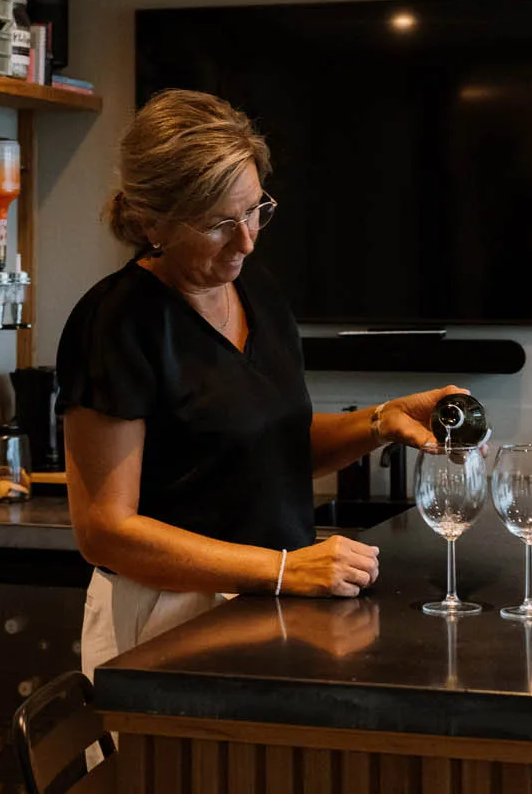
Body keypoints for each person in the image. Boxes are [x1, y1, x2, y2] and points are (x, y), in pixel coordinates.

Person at [58, 89, 465, 677]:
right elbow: (105, 531)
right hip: (171, 618)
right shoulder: (117, 322)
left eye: (254, 211)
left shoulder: (257, 292)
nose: (246, 240)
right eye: (220, 223)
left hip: (274, 603)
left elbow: (266, 449)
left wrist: (379, 422)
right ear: (152, 220)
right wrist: (280, 569)